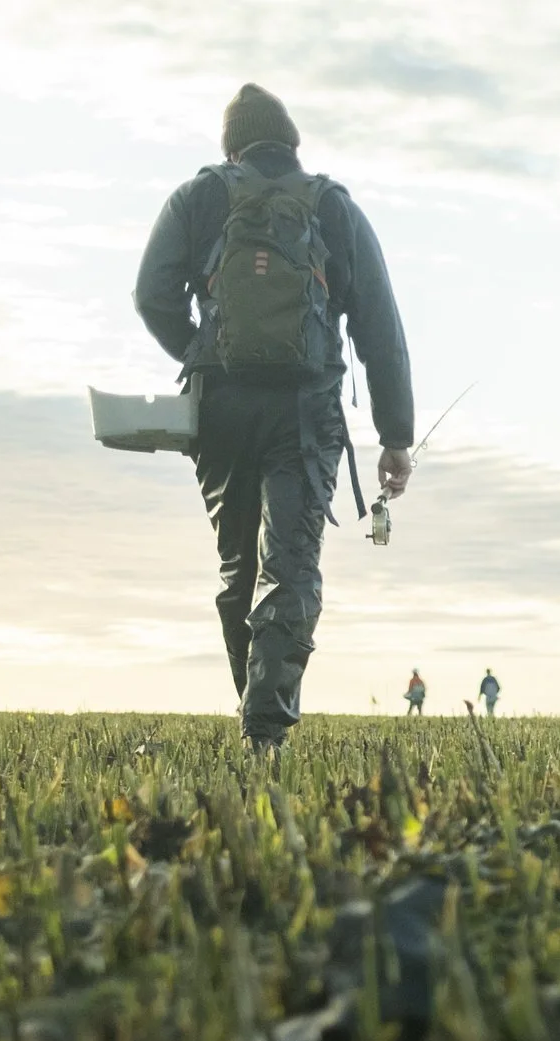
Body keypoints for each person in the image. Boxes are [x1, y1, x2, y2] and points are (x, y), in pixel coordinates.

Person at [134, 83, 415, 756]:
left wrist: (202, 351)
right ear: (292, 145)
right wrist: (396, 437)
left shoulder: (198, 197)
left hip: (221, 408)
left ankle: (253, 716)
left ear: (231, 148)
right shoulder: (332, 206)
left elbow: (151, 295)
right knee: (288, 564)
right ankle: (265, 730)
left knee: (238, 569)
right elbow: (380, 329)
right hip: (305, 409)